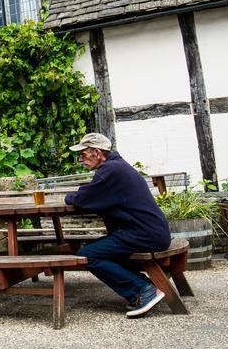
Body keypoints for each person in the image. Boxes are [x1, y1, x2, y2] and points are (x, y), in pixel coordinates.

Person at [65, 133, 172, 318]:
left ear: (97, 152)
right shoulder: (116, 167)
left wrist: (70, 197)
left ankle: (143, 290)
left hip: (144, 234)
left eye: (83, 154)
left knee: (88, 255)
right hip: (148, 232)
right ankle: (145, 287)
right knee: (94, 249)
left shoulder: (110, 170)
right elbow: (93, 195)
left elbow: (84, 199)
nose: (80, 159)